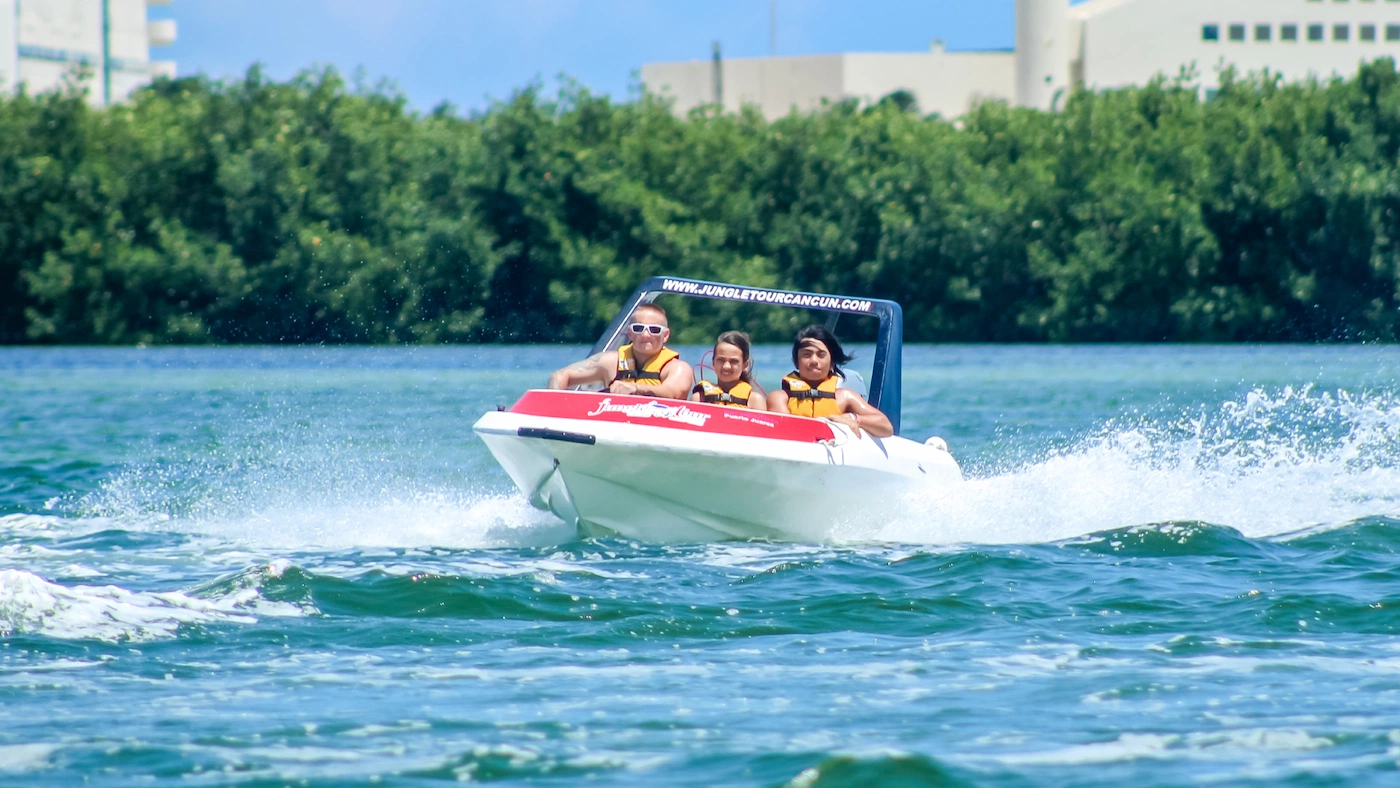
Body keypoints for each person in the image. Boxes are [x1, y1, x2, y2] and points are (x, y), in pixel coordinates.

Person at [767, 325, 893, 438]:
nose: (814, 361)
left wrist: (851, 418)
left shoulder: (845, 396)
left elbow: (886, 426)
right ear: (796, 362)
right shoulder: (780, 398)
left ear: (832, 362)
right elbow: (782, 432)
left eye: (821, 355)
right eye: (807, 355)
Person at [546, 303, 694, 399]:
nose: (645, 334)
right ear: (630, 333)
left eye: (654, 330)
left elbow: (673, 392)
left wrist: (635, 388)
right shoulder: (610, 362)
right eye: (638, 328)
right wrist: (554, 405)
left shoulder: (678, 368)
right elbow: (560, 375)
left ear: (666, 335)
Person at [690, 331, 767, 410]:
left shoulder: (755, 401)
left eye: (734, 361)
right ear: (713, 362)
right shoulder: (698, 399)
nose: (726, 366)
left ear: (745, 365)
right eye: (721, 360)